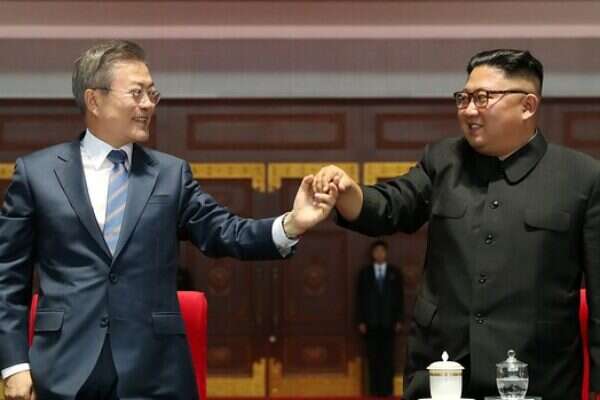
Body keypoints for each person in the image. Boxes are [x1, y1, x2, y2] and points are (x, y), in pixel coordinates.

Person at [0, 40, 338, 400]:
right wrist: (14, 365)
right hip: (63, 371)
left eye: (152, 93)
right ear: (94, 100)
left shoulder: (170, 175)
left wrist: (292, 224)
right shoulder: (37, 174)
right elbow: (8, 278)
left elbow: (226, 231)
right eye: (136, 93)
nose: (148, 104)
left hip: (156, 372)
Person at [313, 49, 599, 400]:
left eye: (483, 98)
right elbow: (392, 205)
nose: (469, 110)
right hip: (443, 371)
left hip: (537, 376)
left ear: (527, 106)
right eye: (464, 98)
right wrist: (348, 193)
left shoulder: (581, 178)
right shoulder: (443, 161)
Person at [356, 239, 403, 397]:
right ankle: (374, 391)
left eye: (382, 251)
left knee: (388, 359)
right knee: (373, 359)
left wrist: (399, 319)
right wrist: (361, 320)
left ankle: (387, 391)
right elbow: (360, 298)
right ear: (372, 254)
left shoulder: (394, 273)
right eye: (376, 251)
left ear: (386, 253)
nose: (379, 254)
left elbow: (399, 298)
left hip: (389, 323)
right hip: (371, 323)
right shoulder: (365, 273)